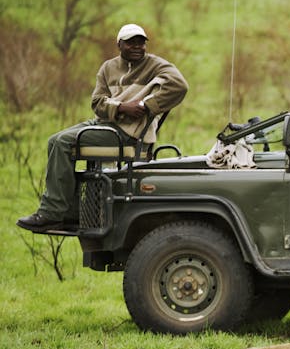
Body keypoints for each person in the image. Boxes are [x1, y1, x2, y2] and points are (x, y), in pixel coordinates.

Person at [17, 24, 189, 232]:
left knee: (63, 143)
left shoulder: (156, 65)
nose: (137, 47)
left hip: (127, 133)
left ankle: (51, 213)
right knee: (54, 140)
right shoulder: (108, 67)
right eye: (131, 42)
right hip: (103, 124)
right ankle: (70, 213)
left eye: (141, 42)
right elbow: (97, 103)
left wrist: (146, 106)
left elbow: (180, 86)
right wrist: (121, 107)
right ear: (119, 44)